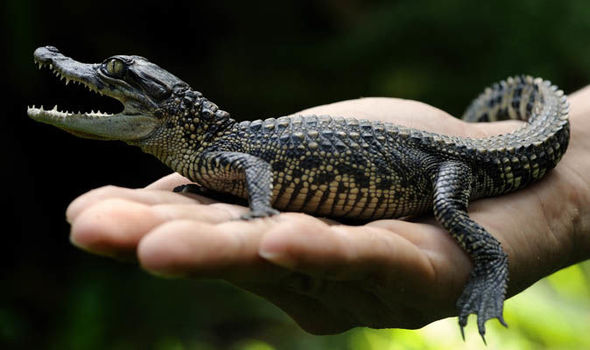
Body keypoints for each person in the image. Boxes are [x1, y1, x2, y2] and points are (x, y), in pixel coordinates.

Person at [64, 86, 590, 334]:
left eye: (116, 73)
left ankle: (491, 264)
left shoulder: (216, 154)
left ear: (167, 106)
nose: (94, 76)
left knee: (448, 209)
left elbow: (257, 173)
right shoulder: (208, 157)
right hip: (432, 154)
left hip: (445, 163)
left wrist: (260, 208)